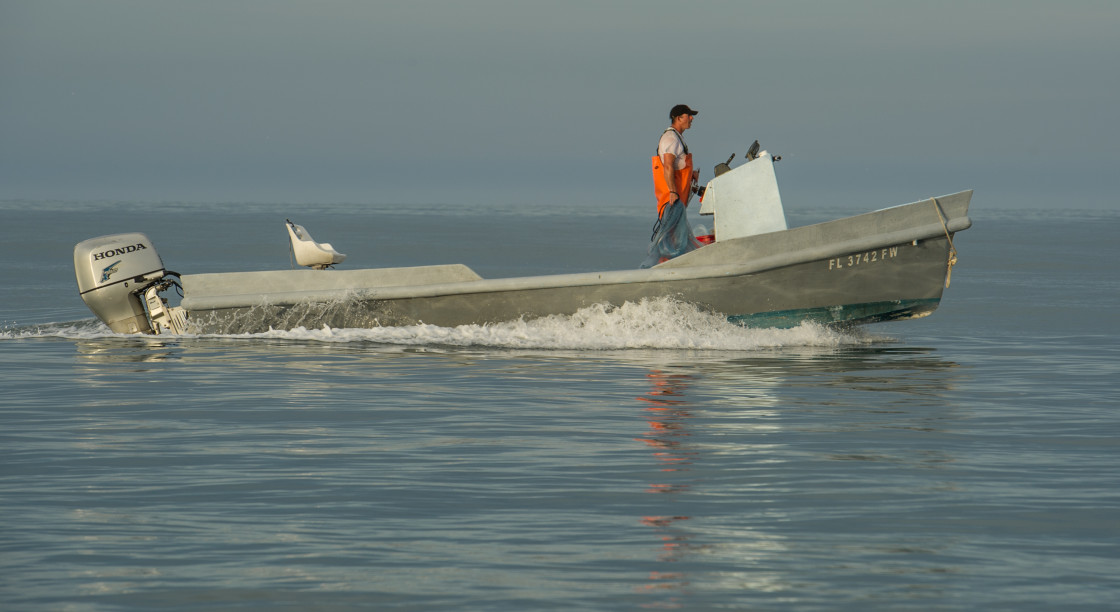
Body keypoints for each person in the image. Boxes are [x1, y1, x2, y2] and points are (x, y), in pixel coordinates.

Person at [642, 104, 701, 268]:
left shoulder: (677, 138)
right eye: (688, 115)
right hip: (672, 201)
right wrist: (673, 192)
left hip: (677, 201)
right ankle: (665, 270)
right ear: (678, 118)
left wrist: (691, 177)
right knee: (671, 241)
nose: (692, 118)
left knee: (677, 239)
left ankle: (673, 268)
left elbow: (676, 167)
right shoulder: (671, 138)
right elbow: (667, 166)